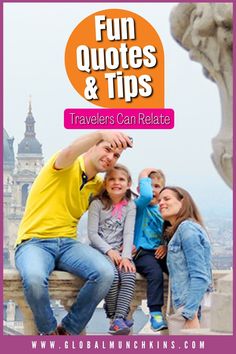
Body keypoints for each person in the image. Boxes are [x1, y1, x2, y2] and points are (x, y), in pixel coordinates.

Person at [14, 131, 133, 335]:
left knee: (105, 273)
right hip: (34, 242)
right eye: (107, 149)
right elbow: (71, 150)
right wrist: (102, 132)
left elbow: (129, 202)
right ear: (92, 146)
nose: (110, 157)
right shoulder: (64, 166)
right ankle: (49, 332)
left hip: (68, 244)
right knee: (34, 279)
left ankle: (69, 330)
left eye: (116, 156)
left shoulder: (97, 187)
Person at [88, 164, 136, 335]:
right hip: (100, 251)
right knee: (113, 277)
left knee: (129, 275)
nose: (116, 183)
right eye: (112, 179)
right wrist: (109, 251)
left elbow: (128, 233)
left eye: (121, 179)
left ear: (128, 184)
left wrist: (126, 257)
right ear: (105, 183)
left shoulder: (130, 205)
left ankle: (118, 318)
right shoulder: (97, 204)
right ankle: (114, 315)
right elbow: (93, 234)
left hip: (120, 251)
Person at [158, 186, 212, 332]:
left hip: (192, 309)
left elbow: (200, 276)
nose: (161, 203)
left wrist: (190, 314)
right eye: (159, 200)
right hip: (189, 306)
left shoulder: (187, 229)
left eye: (167, 199)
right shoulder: (179, 231)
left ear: (183, 202)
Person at [133, 168, 168, 332]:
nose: (153, 190)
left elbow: (170, 233)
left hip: (159, 251)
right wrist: (144, 173)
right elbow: (146, 195)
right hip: (142, 253)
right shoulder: (139, 207)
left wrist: (165, 246)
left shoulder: (164, 212)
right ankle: (155, 313)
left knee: (178, 268)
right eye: (150, 185)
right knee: (155, 274)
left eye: (158, 186)